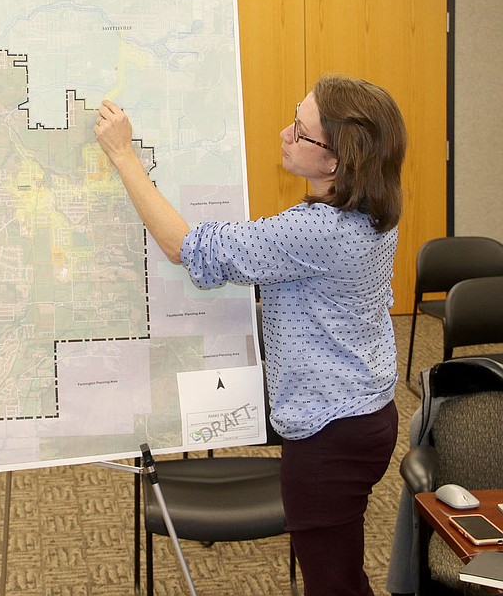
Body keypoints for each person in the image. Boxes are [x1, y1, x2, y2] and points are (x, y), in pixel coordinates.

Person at [94, 74, 407, 596]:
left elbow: (188, 248)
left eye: (302, 133)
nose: (285, 134)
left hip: (329, 434)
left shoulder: (317, 230)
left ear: (337, 161)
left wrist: (124, 155)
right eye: (294, 117)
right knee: (342, 571)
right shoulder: (375, 210)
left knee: (332, 584)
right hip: (365, 413)